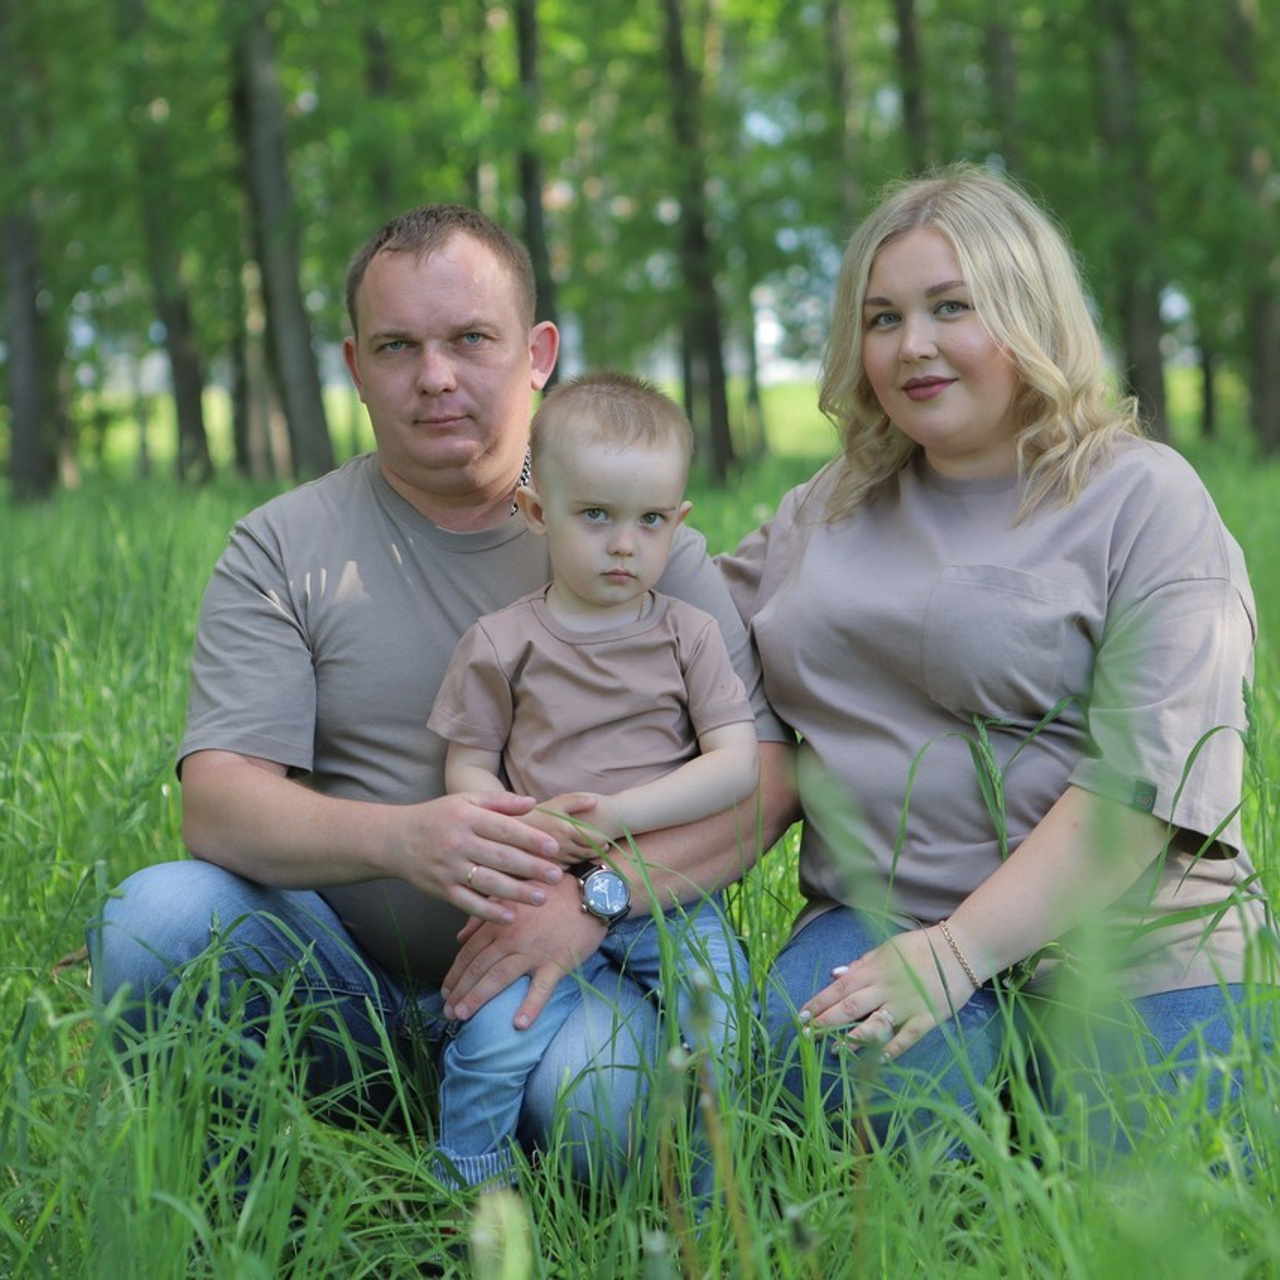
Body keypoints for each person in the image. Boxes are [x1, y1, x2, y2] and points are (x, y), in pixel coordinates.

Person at [87, 203, 794, 1184]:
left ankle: (508, 1166)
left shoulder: (633, 534)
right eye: (396, 346)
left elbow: (765, 775)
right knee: (152, 921)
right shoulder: (282, 545)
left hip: (559, 971)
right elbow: (215, 799)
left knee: (608, 1108)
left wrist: (597, 898)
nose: (433, 376)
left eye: (470, 338)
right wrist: (401, 839)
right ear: (354, 364)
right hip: (341, 983)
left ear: (537, 351)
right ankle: (255, 1198)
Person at [718, 163, 1272, 1150]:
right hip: (879, 919)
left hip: (1134, 937)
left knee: (1141, 1193)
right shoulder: (829, 502)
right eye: (881, 317)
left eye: (948, 307)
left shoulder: (1143, 500)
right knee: (860, 1127)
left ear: (1027, 314)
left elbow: (1138, 793)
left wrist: (959, 952)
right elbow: (675, 628)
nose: (910, 345)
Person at [425, 370, 759, 1190]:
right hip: (540, 885)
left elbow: (738, 764)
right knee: (494, 1033)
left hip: (671, 888)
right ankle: (470, 1182)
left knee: (721, 1019)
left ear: (678, 522)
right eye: (597, 516)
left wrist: (615, 816)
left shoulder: (690, 635)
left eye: (650, 521)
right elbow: (467, 760)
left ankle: (716, 1197)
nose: (623, 544)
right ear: (540, 514)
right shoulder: (504, 642)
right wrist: (515, 823)